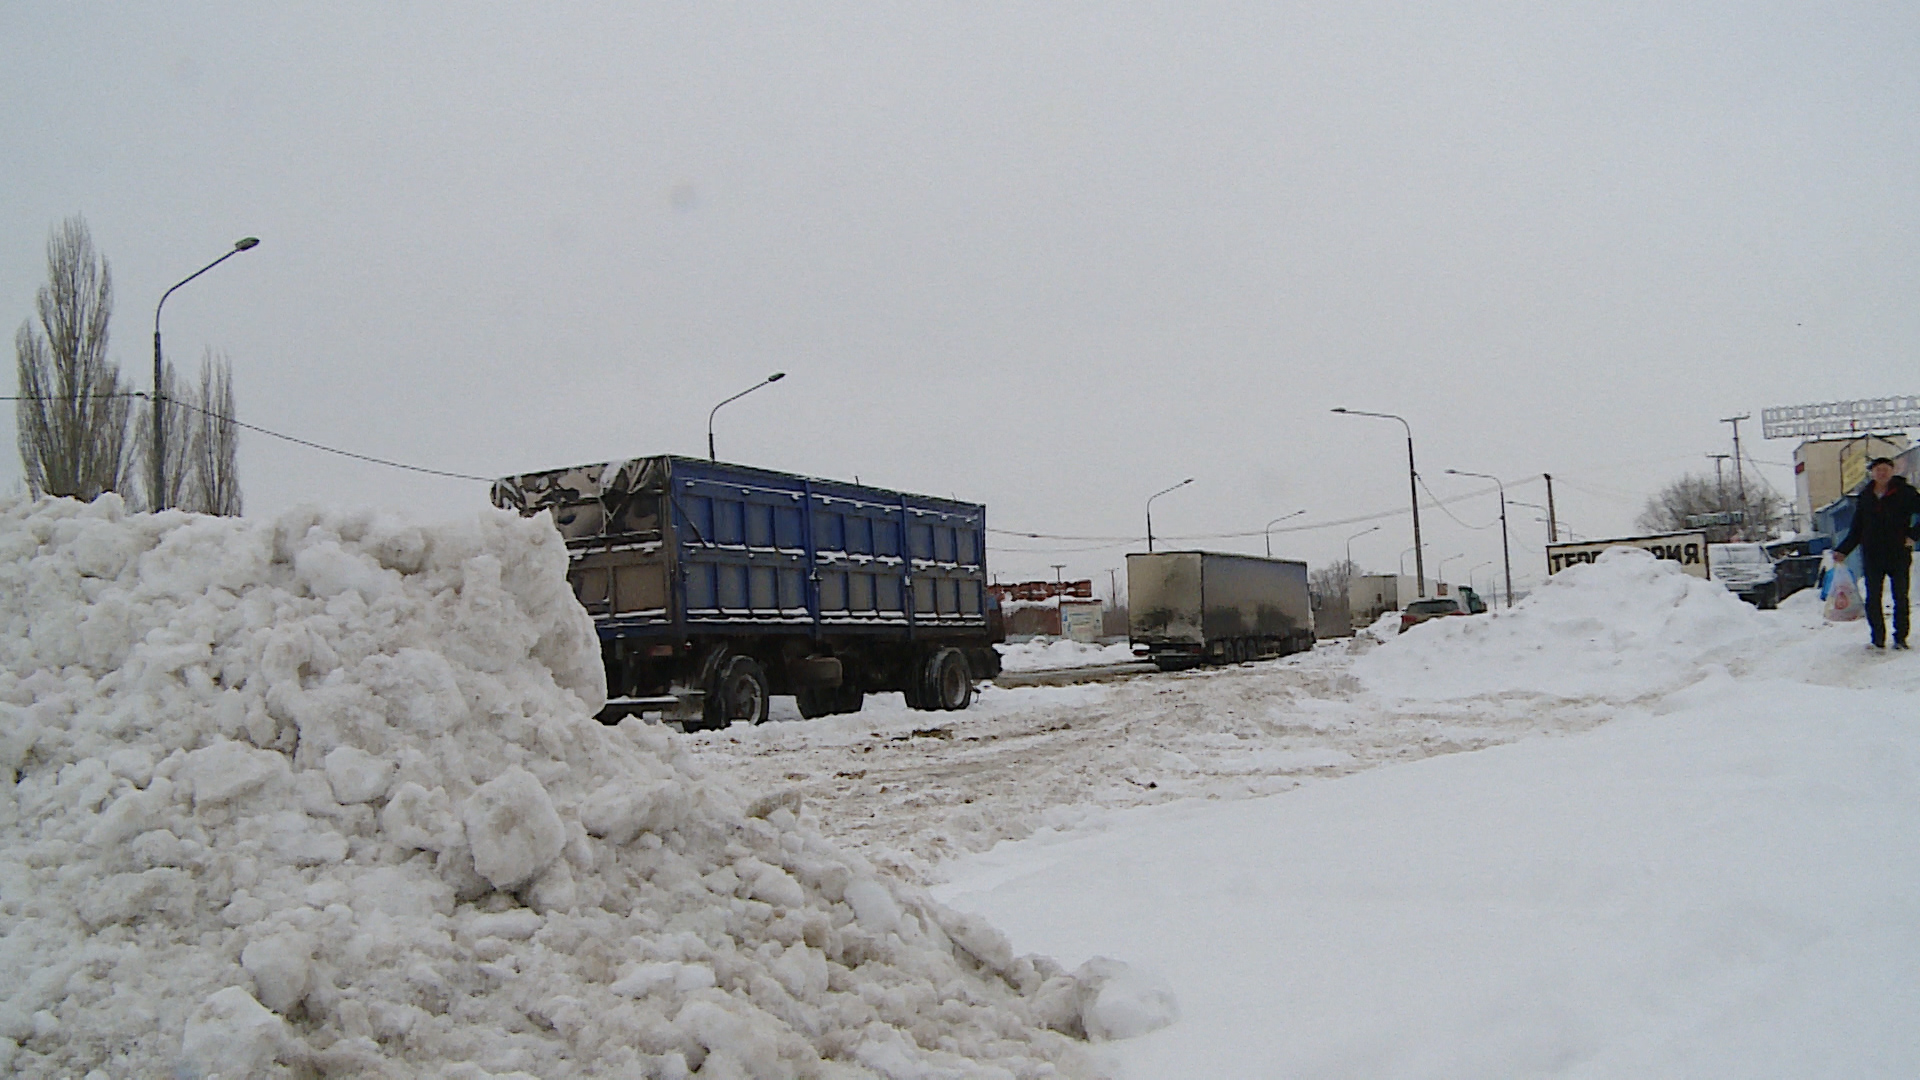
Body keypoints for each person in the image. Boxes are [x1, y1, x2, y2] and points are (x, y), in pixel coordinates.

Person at [1831, 457, 1920, 649]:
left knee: (1900, 596)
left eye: (1886, 469)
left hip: (1898, 552)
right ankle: (1878, 639)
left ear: (1892, 471)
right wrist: (1843, 550)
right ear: (1872, 472)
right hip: (1872, 554)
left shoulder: (1905, 492)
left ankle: (1901, 638)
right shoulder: (1866, 496)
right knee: (1873, 597)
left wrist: (1914, 535)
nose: (1882, 473)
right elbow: (1857, 528)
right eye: (1878, 469)